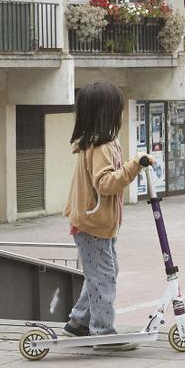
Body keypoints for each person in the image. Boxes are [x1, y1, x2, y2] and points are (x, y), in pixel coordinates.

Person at [64, 82, 148, 349]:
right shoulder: (100, 146)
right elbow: (106, 183)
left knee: (103, 274)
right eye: (117, 108)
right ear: (107, 112)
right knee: (103, 277)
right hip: (93, 224)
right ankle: (102, 333)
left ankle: (78, 322)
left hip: (98, 224)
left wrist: (132, 164)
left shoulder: (102, 142)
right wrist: (134, 166)